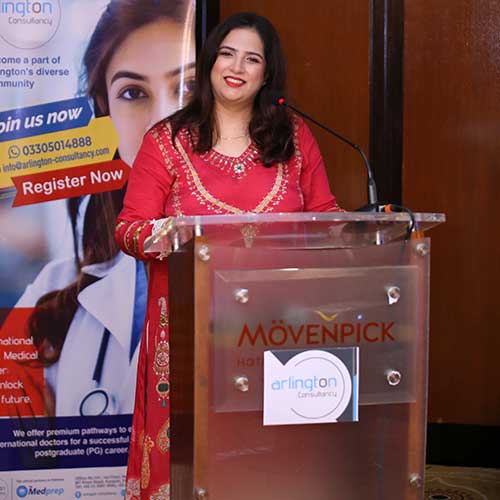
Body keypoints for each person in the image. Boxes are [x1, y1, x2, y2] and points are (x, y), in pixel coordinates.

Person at [115, 11, 342, 500]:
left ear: (267, 73)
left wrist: (359, 229)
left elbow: (326, 215)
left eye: (251, 59)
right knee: (194, 458)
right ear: (210, 62)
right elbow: (129, 228)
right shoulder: (167, 140)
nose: (236, 67)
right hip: (188, 329)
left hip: (277, 328)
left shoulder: (294, 137)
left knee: (266, 457)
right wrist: (164, 234)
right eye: (227, 54)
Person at [15, 0, 195, 417]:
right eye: (133, 93)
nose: (161, 121)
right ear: (104, 112)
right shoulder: (47, 297)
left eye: (186, 89)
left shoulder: (258, 276)